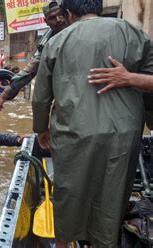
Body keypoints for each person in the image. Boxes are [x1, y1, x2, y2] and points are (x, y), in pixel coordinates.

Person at [32, 1, 153, 247]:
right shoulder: (134, 33)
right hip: (124, 133)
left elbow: (41, 97)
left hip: (73, 132)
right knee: (113, 192)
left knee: (68, 192)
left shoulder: (56, 41)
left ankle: (64, 243)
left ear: (68, 14)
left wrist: (41, 129)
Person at [0, 0, 68, 112]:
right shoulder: (47, 43)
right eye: (52, 17)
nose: (58, 20)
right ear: (46, 21)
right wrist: (4, 95)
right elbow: (30, 70)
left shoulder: (83, 30)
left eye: (61, 15)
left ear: (68, 14)